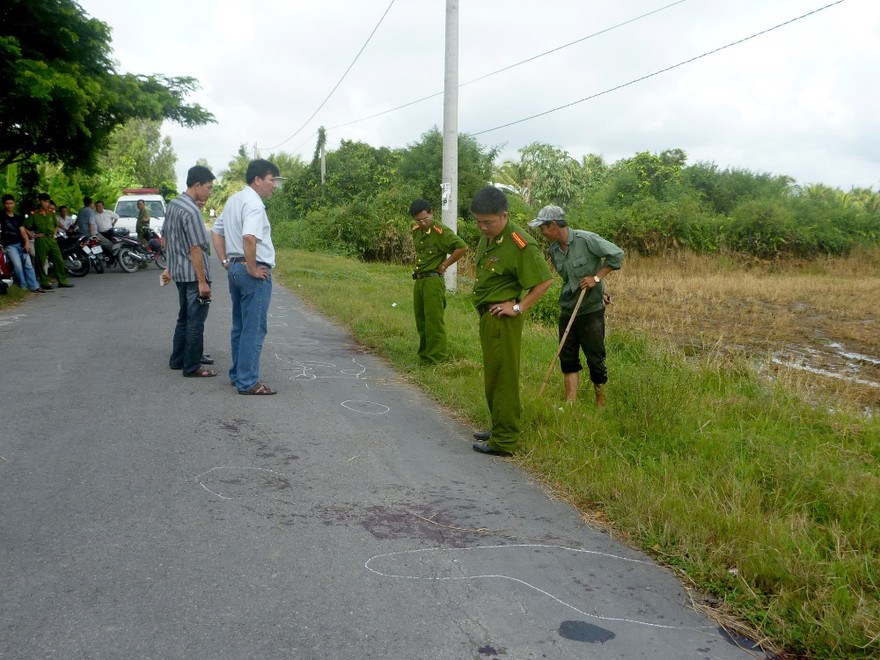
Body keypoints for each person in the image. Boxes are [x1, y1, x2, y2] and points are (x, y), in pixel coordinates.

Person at [469, 186, 553, 457]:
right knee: (493, 377)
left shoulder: (520, 243)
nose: (482, 227)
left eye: (488, 222)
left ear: (504, 216)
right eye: (478, 221)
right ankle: (499, 426)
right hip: (488, 319)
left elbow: (545, 280)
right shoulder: (491, 238)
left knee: (504, 378)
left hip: (502, 320)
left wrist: (517, 307)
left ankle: (504, 440)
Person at [529, 205, 624, 407]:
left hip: (590, 310)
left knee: (595, 359)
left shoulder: (586, 239)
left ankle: (600, 404)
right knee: (568, 357)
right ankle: (570, 403)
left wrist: (597, 279)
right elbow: (569, 279)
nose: (541, 232)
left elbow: (617, 255)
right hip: (568, 308)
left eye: (543, 228)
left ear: (553, 225)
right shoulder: (554, 250)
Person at [211, 159, 280, 395]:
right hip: (251, 271)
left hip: (235, 269)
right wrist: (251, 268)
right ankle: (248, 381)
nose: (275, 185)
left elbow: (216, 231)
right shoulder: (254, 204)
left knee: (240, 326)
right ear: (258, 179)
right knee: (254, 328)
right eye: (272, 180)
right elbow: (249, 237)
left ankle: (238, 374)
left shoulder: (234, 200)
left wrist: (225, 261)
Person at [163, 165, 217, 378]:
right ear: (197, 185)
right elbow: (196, 248)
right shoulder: (192, 211)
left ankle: (177, 359)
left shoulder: (174, 205)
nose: (210, 192)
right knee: (195, 321)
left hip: (180, 273)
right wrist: (203, 282)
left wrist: (171, 267)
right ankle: (192, 366)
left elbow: (166, 237)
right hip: (194, 276)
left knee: (183, 317)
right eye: (208, 187)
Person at [409, 199, 467, 364]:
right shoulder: (416, 231)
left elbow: (462, 247)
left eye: (426, 218)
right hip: (420, 280)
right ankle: (424, 356)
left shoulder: (439, 231)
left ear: (432, 213)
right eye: (418, 220)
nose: (423, 223)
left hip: (433, 281)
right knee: (421, 321)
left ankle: (437, 359)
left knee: (434, 322)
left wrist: (445, 265)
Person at [25, 193, 73, 289]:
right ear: (39, 202)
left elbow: (56, 224)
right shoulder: (34, 215)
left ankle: (62, 281)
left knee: (59, 260)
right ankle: (45, 282)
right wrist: (33, 236)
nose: (46, 204)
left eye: (47, 202)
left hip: (51, 239)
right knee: (41, 262)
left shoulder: (51, 213)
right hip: (41, 239)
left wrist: (54, 234)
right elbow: (25, 227)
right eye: (44, 201)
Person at [1, 194, 46, 293]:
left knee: (28, 265)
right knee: (18, 265)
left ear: (14, 204)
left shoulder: (18, 217)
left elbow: (22, 231)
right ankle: (23, 286)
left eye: (11, 203)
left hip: (20, 244)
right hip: (9, 245)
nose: (9, 205)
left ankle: (34, 286)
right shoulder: (1, 216)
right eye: (7, 204)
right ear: (3, 205)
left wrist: (27, 242)